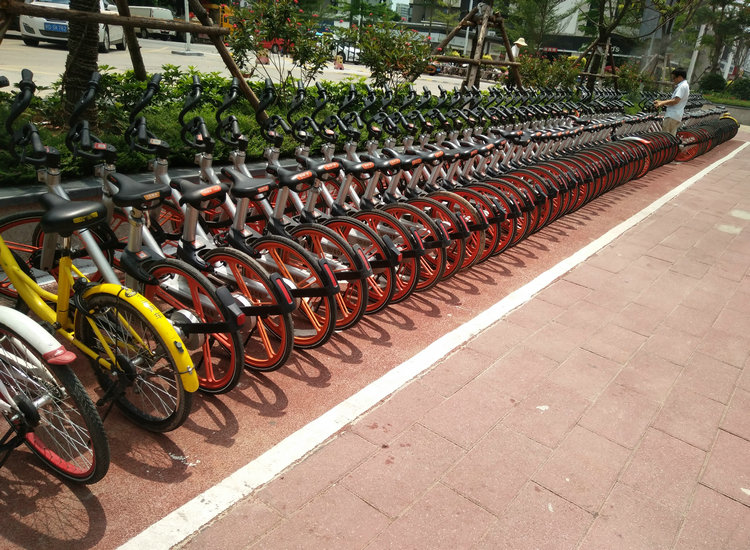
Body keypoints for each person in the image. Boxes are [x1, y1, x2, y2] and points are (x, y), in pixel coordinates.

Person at [654, 67, 690, 136]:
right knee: (671, 137)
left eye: (674, 78)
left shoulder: (682, 86)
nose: (673, 80)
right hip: (676, 115)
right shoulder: (685, 85)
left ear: (680, 77)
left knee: (665, 136)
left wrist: (661, 103)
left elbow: (675, 101)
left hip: (672, 115)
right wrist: (661, 102)